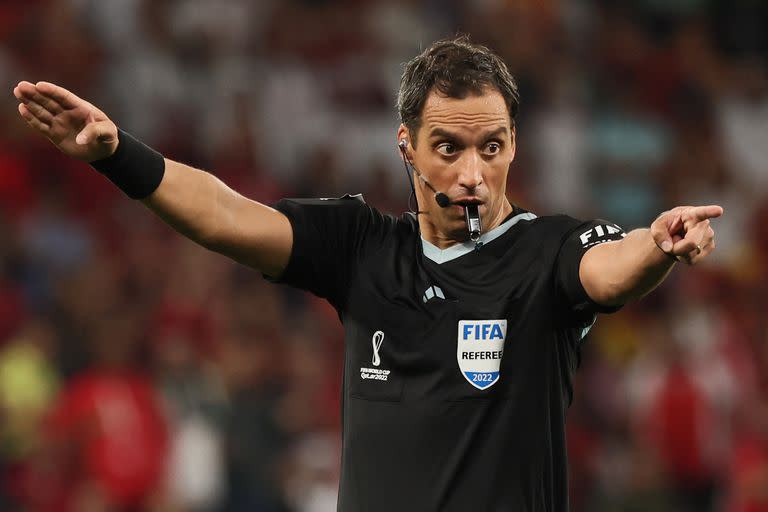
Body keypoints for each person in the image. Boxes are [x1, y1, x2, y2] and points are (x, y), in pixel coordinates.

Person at [13, 37, 721, 511]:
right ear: (406, 146)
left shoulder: (550, 252)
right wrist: (117, 154)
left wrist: (657, 246)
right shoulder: (360, 247)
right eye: (448, 147)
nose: (473, 173)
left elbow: (608, 270)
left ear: (513, 145)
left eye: (492, 147)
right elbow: (227, 215)